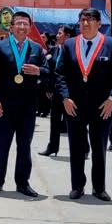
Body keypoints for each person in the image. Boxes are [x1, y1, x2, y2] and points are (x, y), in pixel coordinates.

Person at [55, 8, 112, 201]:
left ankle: (99, 188)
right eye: (82, 20)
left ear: (99, 23)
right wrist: (65, 97)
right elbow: (60, 74)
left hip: (102, 106)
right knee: (76, 147)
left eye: (90, 19)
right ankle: (77, 186)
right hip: (74, 105)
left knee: (99, 147)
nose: (85, 23)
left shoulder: (111, 44)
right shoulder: (70, 44)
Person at [0, 11, 47, 197]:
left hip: (27, 107)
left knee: (24, 146)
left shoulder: (36, 48)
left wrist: (38, 71)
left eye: (25, 24)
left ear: (30, 27)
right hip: (3, 107)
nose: (22, 27)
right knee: (2, 146)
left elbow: (49, 73)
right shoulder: (0, 46)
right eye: (18, 23)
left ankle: (22, 183)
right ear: (11, 27)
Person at [39, 25, 73, 157]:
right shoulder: (54, 50)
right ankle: (53, 146)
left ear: (68, 36)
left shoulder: (73, 50)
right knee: (54, 120)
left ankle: (84, 147)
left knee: (73, 121)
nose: (57, 36)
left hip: (69, 92)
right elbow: (50, 70)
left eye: (60, 33)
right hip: (56, 91)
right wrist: (49, 87)